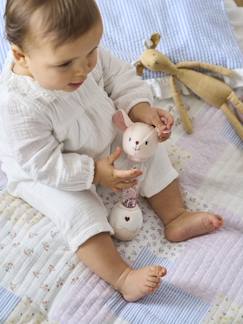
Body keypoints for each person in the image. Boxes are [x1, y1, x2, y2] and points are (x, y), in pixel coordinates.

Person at [0, 0, 223, 302]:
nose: (82, 69)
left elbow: (120, 77)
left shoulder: (82, 55)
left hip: (101, 135)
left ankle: (176, 215)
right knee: (78, 211)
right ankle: (122, 276)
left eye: (91, 52)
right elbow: (43, 164)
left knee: (149, 150)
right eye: (65, 64)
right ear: (21, 56)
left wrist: (140, 109)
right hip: (49, 170)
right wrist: (93, 173)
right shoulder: (18, 106)